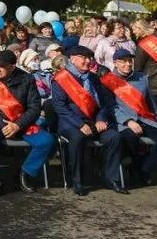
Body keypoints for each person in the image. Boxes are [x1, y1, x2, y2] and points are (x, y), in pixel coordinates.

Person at [0, 50, 54, 197]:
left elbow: (34, 107)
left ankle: (25, 172)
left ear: (12, 66)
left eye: (2, 66)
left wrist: (18, 125)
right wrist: (4, 125)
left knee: (47, 141)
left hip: (22, 123)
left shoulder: (27, 79)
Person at [50, 46, 127, 195]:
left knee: (114, 137)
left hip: (93, 121)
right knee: (77, 138)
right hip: (71, 123)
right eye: (84, 58)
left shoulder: (93, 78)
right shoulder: (60, 79)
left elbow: (103, 104)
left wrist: (100, 119)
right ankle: (77, 181)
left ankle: (111, 178)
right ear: (73, 59)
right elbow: (60, 108)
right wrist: (80, 124)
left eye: (89, 58)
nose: (88, 61)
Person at [100, 49, 157, 186]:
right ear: (115, 63)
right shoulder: (107, 81)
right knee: (129, 137)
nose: (128, 64)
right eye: (124, 62)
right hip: (123, 122)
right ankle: (134, 169)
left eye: (130, 61)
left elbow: (150, 103)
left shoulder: (142, 78)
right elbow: (111, 107)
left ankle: (143, 169)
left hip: (145, 118)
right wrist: (128, 121)